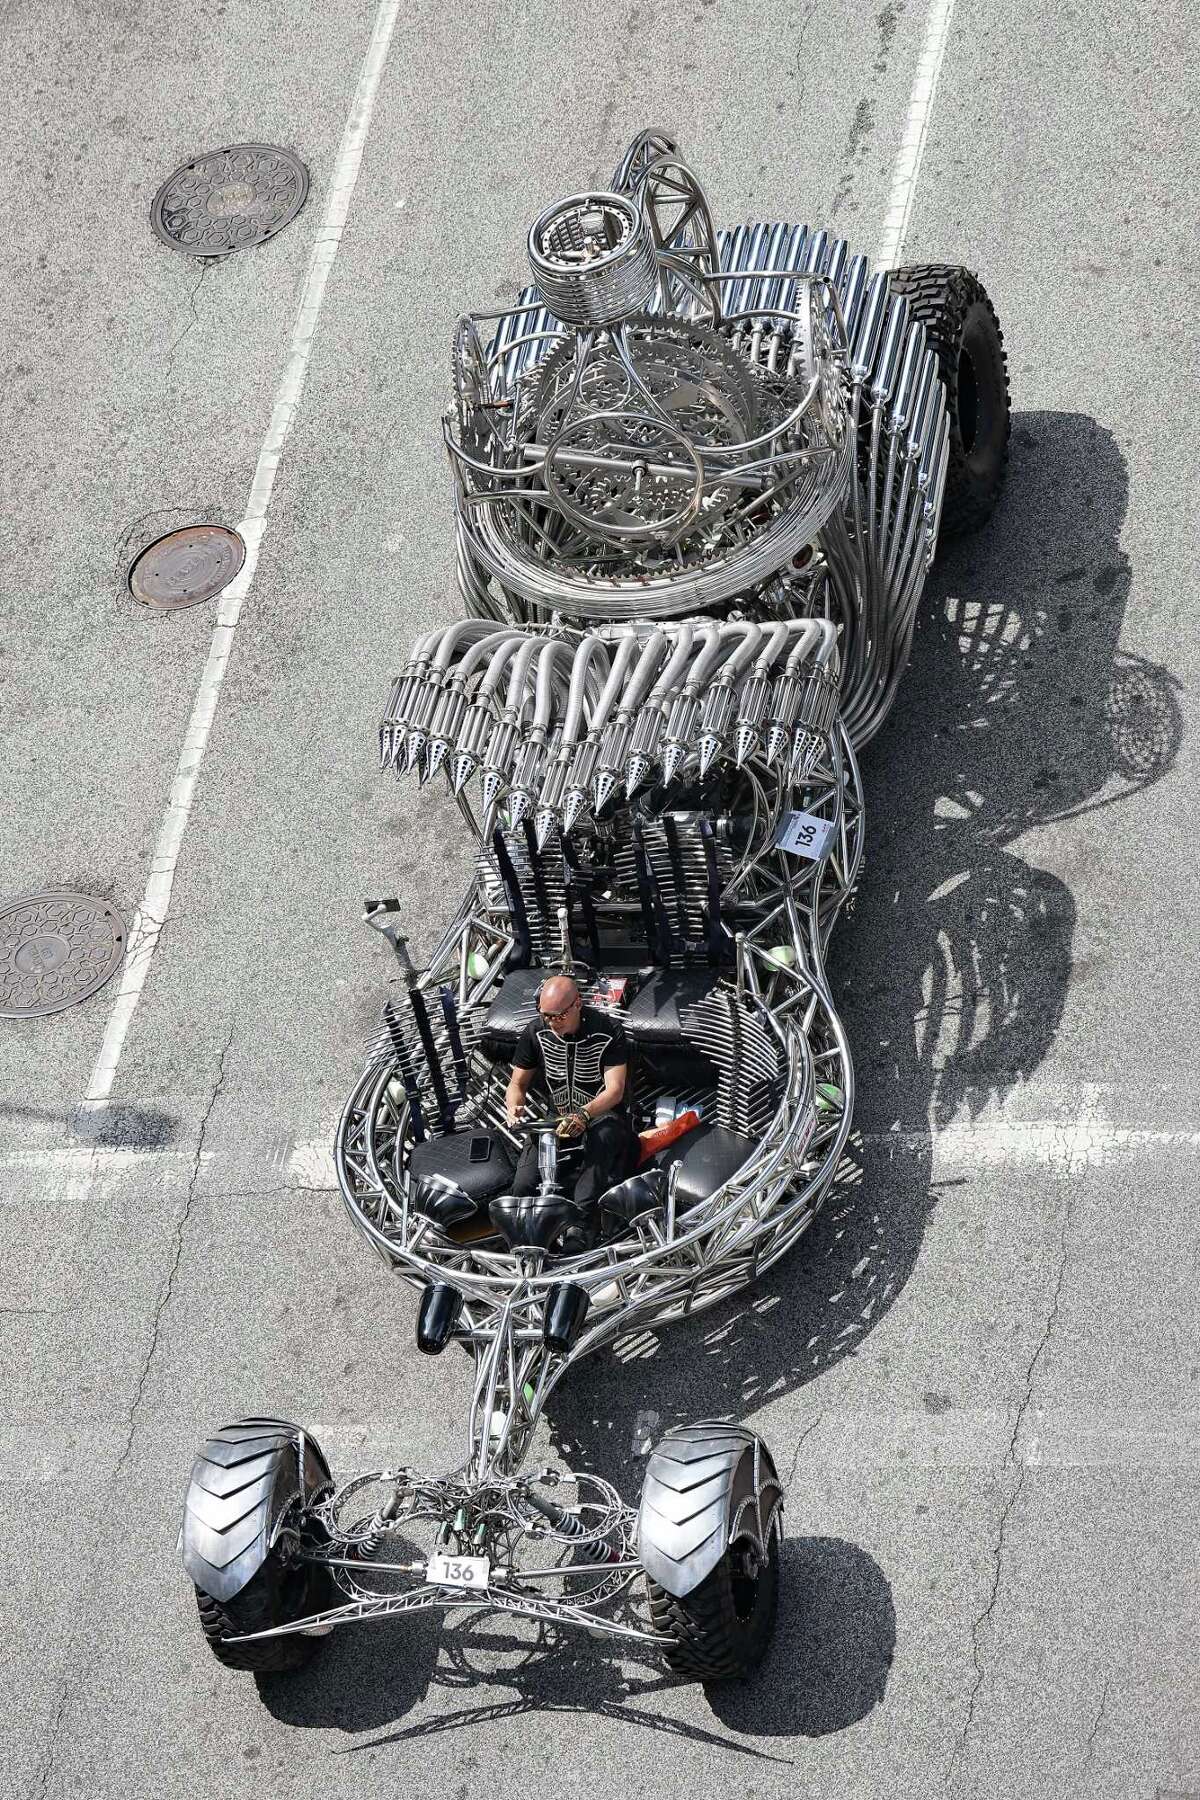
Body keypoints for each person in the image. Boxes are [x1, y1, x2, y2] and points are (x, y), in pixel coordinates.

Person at [504, 974, 637, 1210]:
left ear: (577, 1003)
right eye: (545, 1015)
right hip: (556, 1119)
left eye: (559, 1016)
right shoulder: (536, 1030)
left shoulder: (608, 1030)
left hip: (602, 1116)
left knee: (589, 1180)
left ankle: (582, 1227)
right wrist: (513, 1106)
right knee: (522, 1187)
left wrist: (584, 1114)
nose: (552, 1022)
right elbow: (517, 1084)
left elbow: (615, 1090)